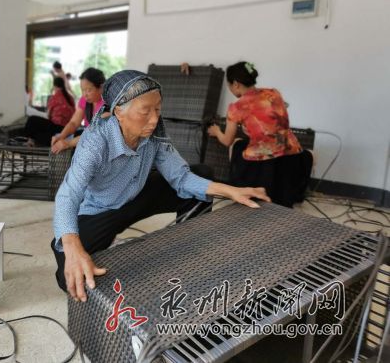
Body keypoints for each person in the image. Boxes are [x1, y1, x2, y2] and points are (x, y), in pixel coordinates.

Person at [51, 69, 270, 301]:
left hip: (137, 195)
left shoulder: (154, 135)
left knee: (199, 175)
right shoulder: (95, 142)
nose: (154, 119)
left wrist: (230, 190)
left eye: (157, 109)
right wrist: (72, 244)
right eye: (145, 111)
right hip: (101, 210)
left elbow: (182, 178)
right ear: (118, 111)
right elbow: (68, 195)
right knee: (71, 278)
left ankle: (189, 250)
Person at [207, 61, 313, 207]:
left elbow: (226, 141)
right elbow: (280, 117)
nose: (230, 89)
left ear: (236, 84)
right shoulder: (274, 93)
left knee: (237, 145)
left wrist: (217, 131)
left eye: (229, 86)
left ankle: (242, 189)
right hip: (292, 156)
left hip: (262, 163)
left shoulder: (236, 107)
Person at [51, 67, 106, 154]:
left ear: (101, 87)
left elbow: (95, 134)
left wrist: (67, 143)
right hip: (88, 138)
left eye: (89, 90)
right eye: (82, 90)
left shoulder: (106, 105)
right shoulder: (85, 100)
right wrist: (61, 136)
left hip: (101, 145)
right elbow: (74, 123)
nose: (85, 94)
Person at [21, 77, 75, 146]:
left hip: (57, 127)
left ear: (54, 86)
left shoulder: (55, 97)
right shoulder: (70, 98)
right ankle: (34, 142)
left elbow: (48, 115)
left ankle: (29, 141)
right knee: (44, 131)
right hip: (67, 128)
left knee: (32, 120)